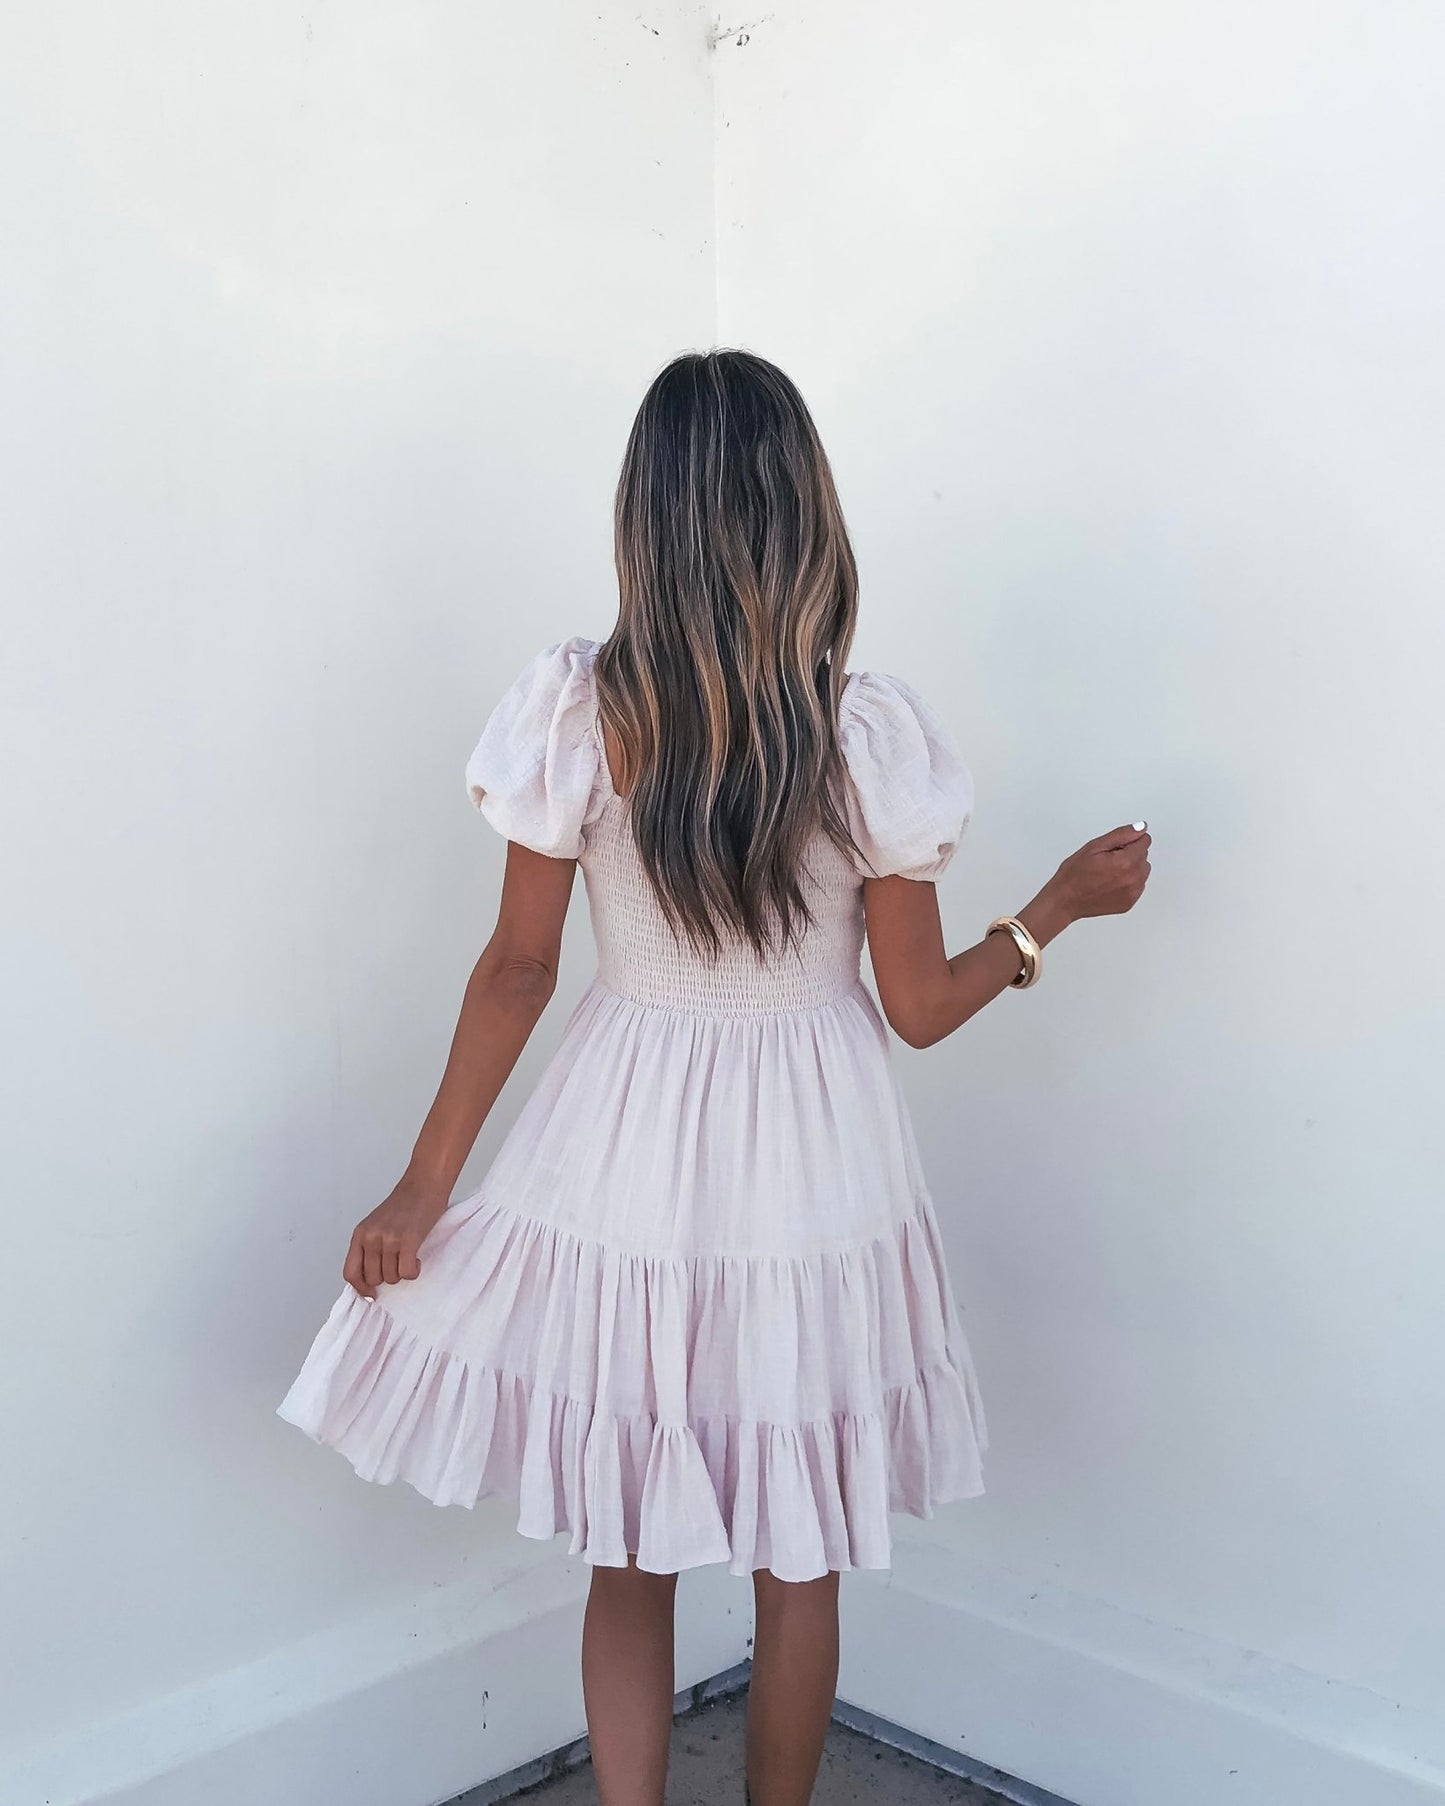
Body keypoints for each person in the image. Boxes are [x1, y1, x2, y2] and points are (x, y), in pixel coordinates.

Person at [276, 348, 1152, 1806]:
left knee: (626, 1540)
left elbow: (515, 968)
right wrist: (1051, 905)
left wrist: (425, 1185)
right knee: (795, 1546)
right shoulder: (857, 733)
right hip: (814, 1147)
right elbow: (921, 1009)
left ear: (646, 517)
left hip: (618, 1135)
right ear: (801, 512)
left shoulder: (583, 712)